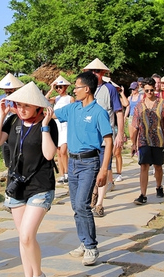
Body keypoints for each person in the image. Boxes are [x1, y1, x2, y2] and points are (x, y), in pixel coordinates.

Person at [0, 81, 58, 277]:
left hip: (40, 185)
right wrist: (1, 116)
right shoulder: (13, 121)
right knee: (23, 238)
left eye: (26, 105)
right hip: (16, 186)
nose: (21, 109)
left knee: (28, 235)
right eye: (18, 105)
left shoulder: (48, 124)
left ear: (39, 106)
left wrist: (46, 126)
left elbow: (49, 155)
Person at [54, 71, 113, 266]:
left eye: (77, 87)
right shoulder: (73, 108)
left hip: (90, 163)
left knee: (82, 204)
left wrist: (104, 169)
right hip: (73, 162)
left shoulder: (98, 112)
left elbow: (108, 140)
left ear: (86, 89)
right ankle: (83, 241)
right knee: (75, 206)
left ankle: (91, 247)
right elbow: (51, 112)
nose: (74, 90)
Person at [83, 58, 124, 218]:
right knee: (90, 170)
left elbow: (118, 111)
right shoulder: (86, 89)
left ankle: (99, 202)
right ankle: (92, 194)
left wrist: (120, 133)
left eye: (97, 71)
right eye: (91, 71)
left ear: (103, 73)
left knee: (104, 168)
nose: (94, 74)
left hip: (104, 137)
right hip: (88, 138)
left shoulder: (110, 89)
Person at [130, 77, 164, 204]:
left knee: (158, 166)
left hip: (158, 139)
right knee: (144, 166)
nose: (149, 93)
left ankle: (159, 186)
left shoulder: (162, 103)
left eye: (151, 90)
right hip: (143, 140)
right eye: (147, 90)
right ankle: (143, 195)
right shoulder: (139, 106)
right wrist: (133, 143)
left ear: (155, 89)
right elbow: (135, 125)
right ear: (143, 91)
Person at [0, 73, 24, 166]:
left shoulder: (21, 99)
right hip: (4, 133)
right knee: (8, 161)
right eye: (6, 88)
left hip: (19, 132)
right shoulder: (0, 100)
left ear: (15, 88)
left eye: (10, 88)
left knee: (18, 160)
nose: (8, 90)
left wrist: (13, 110)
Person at [45, 75, 75, 183]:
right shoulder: (56, 99)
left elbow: (74, 112)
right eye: (57, 87)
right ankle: (62, 174)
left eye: (60, 87)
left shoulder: (70, 98)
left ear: (66, 87)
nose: (59, 89)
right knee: (58, 152)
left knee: (63, 151)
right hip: (56, 126)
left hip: (66, 126)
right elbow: (44, 100)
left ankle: (67, 173)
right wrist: (51, 89)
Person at [124, 82, 143, 164]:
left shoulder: (141, 97)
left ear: (137, 88)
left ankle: (138, 149)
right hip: (131, 116)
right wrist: (125, 117)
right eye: (131, 89)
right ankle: (134, 145)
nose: (132, 90)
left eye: (134, 89)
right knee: (132, 135)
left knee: (138, 134)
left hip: (138, 117)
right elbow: (128, 108)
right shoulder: (129, 98)